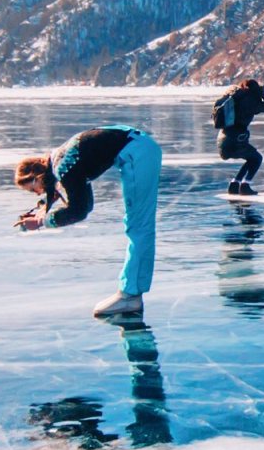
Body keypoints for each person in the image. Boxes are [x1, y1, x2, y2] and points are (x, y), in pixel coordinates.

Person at [14, 125, 162, 319]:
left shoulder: (63, 167)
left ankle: (130, 295)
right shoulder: (60, 157)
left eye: (34, 190)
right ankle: (132, 292)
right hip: (139, 146)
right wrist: (44, 207)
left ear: (37, 176)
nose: (38, 193)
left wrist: (42, 222)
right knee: (138, 226)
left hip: (137, 154)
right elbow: (66, 185)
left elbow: (80, 209)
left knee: (138, 227)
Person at [213, 78, 264, 195]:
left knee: (251, 158)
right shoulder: (250, 100)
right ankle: (245, 185)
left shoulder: (234, 97)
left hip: (222, 138)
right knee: (256, 159)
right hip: (235, 139)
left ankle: (235, 184)